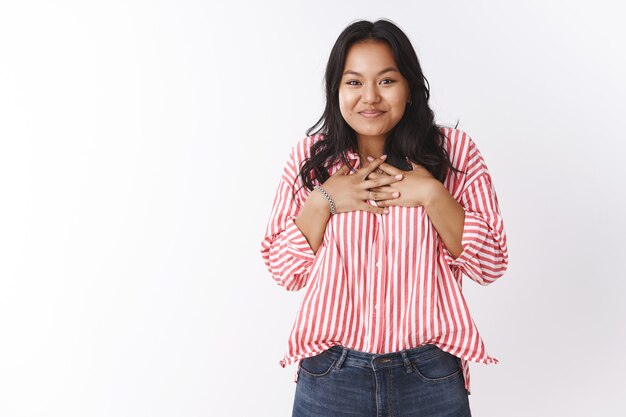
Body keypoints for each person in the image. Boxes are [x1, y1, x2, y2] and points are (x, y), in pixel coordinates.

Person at [260, 18, 508, 417]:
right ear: (336, 90)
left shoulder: (454, 152)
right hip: (330, 375)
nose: (370, 97)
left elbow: (492, 262)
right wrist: (323, 200)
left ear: (409, 87)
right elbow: (283, 270)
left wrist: (432, 194)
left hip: (430, 375)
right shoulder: (311, 159)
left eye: (387, 81)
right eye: (354, 82)